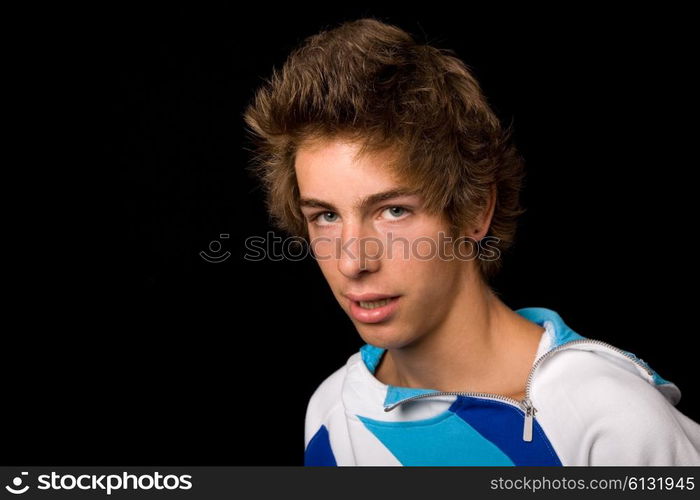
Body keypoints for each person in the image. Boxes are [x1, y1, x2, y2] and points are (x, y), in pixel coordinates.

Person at [243, 18, 700, 465]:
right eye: (326, 216)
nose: (352, 261)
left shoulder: (608, 417)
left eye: (393, 211)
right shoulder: (331, 413)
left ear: (476, 210)